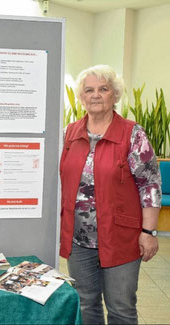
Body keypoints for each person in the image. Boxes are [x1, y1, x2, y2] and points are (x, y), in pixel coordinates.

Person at [60, 65, 161, 324]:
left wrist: (148, 233)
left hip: (120, 237)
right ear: (81, 97)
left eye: (103, 89)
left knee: (121, 308)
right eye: (89, 90)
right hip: (79, 240)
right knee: (85, 303)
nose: (96, 95)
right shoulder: (70, 133)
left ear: (114, 95)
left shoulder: (132, 133)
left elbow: (149, 185)